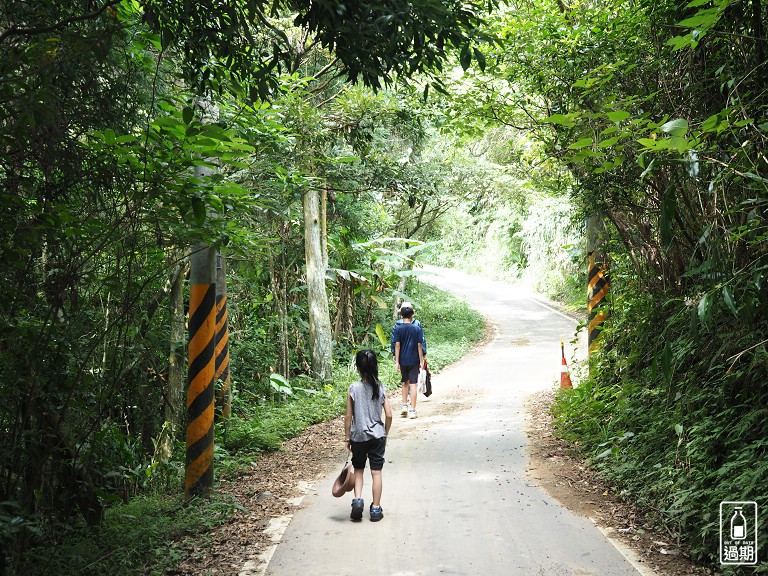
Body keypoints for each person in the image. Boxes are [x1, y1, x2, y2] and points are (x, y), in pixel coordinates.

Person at [344, 349, 393, 522]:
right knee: (376, 472)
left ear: (358, 367)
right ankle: (376, 509)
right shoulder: (380, 388)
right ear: (375, 366)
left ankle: (357, 501)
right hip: (377, 436)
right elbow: (388, 415)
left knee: (358, 469)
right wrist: (384, 434)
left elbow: (348, 416)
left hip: (358, 436)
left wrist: (347, 438)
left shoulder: (353, 389)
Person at [391, 301, 425, 419]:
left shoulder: (398, 328)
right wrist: (421, 360)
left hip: (403, 360)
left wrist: (397, 361)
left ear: (401, 315)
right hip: (414, 359)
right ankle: (413, 410)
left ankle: (404, 405)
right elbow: (419, 345)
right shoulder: (417, 328)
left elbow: (397, 345)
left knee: (404, 383)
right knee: (413, 384)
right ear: (412, 315)